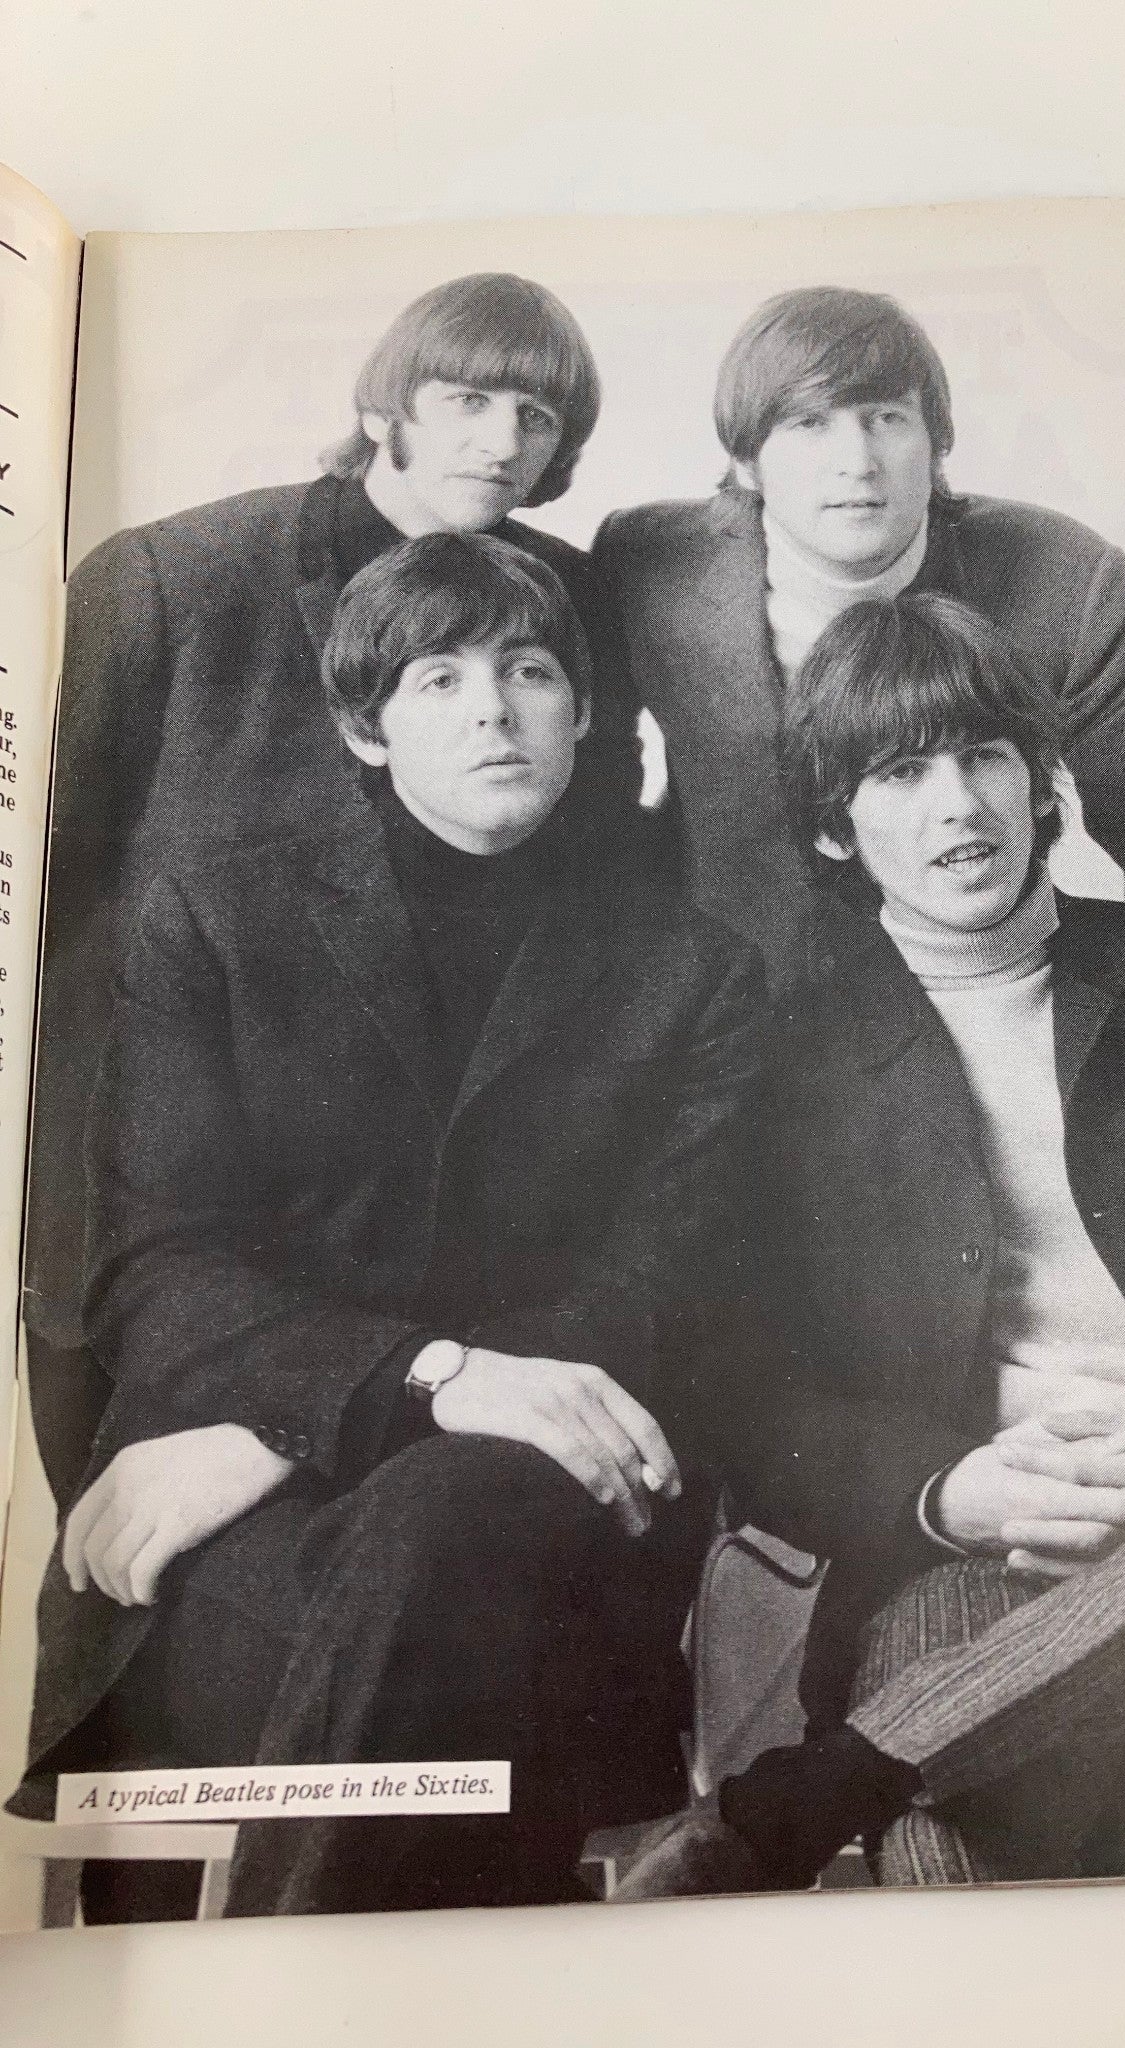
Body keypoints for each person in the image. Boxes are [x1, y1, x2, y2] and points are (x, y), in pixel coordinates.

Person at [615, 591, 1125, 1897]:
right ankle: (914, 1804)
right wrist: (950, 1488)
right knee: (954, 1796)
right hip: (989, 1559)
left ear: (1045, 780)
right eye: (900, 770)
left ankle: (818, 1796)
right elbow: (746, 1398)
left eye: (985, 754)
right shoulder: (778, 1068)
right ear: (835, 823)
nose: (957, 805)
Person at [10, 536, 765, 1918]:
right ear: (366, 726)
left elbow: (665, 1290)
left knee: (446, 1532)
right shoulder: (217, 921)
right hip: (234, 1528)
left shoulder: (693, 969)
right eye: (441, 677)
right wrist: (425, 1380)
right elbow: (148, 1265)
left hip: (549, 1513)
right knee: (432, 1641)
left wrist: (306, 1417)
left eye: (534, 671)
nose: (495, 708)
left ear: (584, 711)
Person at [27, 271, 644, 1509]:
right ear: (384, 409)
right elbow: (45, 891)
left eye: (537, 418)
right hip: (169, 1193)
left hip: (430, 1226)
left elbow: (597, 883)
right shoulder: (171, 579)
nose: (503, 442)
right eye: (468, 399)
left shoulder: (572, 601)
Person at [593, 285, 1125, 991]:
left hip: (973, 1010)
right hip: (742, 1020)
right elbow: (596, 810)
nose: (857, 460)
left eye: (887, 417)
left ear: (937, 442)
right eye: (809, 424)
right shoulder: (651, 567)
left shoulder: (1060, 578)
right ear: (746, 459)